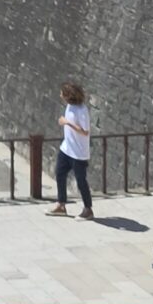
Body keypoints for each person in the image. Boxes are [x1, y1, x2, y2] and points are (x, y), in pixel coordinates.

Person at [44, 80, 92, 219]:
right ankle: (61, 204)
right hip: (66, 149)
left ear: (68, 95)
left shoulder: (82, 110)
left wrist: (67, 123)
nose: (60, 95)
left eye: (62, 93)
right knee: (59, 173)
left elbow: (85, 132)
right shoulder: (69, 106)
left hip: (78, 153)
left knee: (81, 181)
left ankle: (88, 209)